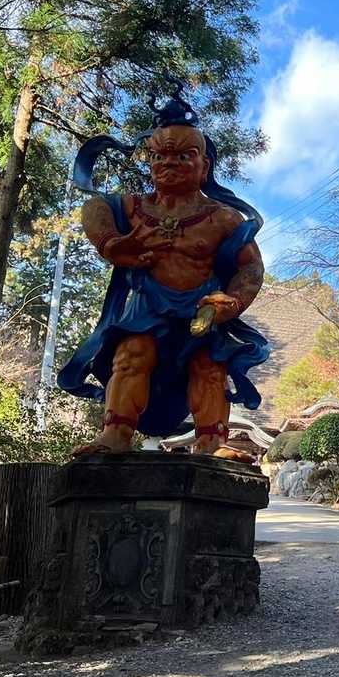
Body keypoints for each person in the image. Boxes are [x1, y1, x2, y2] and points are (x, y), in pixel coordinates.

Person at [58, 97, 269, 461]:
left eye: (184, 155)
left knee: (209, 365)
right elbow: (94, 206)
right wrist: (110, 243)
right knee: (131, 354)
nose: (169, 162)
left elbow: (250, 268)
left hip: (201, 311)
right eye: (159, 156)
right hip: (147, 308)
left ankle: (212, 441)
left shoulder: (222, 218)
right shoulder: (134, 208)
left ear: (204, 166)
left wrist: (231, 302)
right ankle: (116, 433)